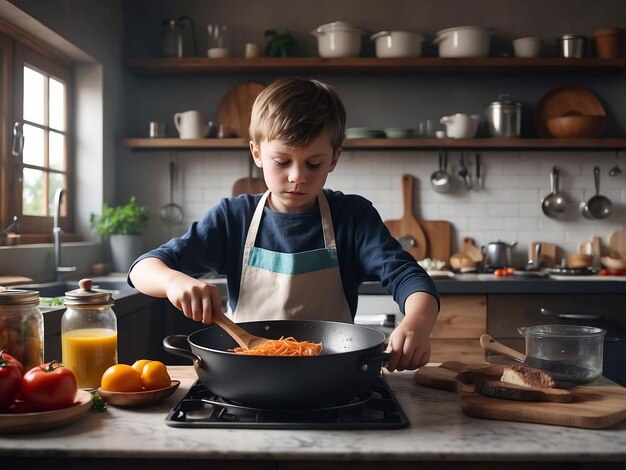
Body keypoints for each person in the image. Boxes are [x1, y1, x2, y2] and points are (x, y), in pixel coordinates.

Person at [128, 78, 439, 371]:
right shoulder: (233, 218)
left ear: (334, 159)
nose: (297, 176)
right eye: (282, 161)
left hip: (332, 377)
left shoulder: (352, 216)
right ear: (257, 153)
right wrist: (173, 282)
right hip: (248, 375)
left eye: (313, 163)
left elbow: (408, 277)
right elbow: (143, 268)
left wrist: (417, 323)